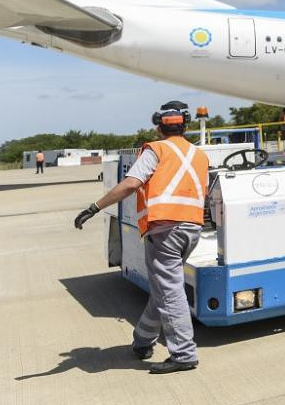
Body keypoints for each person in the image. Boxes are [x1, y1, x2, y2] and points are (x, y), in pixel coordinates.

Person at [72, 101, 209, 374]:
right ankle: (142, 341)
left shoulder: (155, 150)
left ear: (159, 126)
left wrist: (94, 207)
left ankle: (183, 354)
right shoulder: (199, 154)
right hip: (191, 228)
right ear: (187, 125)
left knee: (169, 291)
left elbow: (131, 183)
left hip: (165, 229)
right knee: (163, 288)